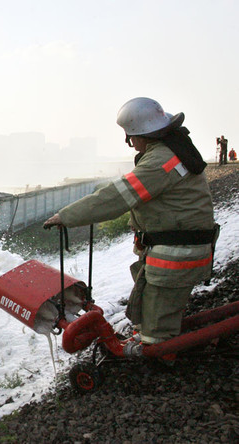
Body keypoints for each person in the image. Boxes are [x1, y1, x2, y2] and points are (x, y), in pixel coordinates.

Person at [43, 97, 217, 352]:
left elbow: (119, 197)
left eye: (130, 137)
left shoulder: (160, 162)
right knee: (152, 309)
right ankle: (150, 340)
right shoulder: (172, 149)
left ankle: (160, 359)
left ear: (143, 134)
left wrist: (67, 216)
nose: (130, 143)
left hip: (177, 254)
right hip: (181, 248)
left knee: (158, 326)